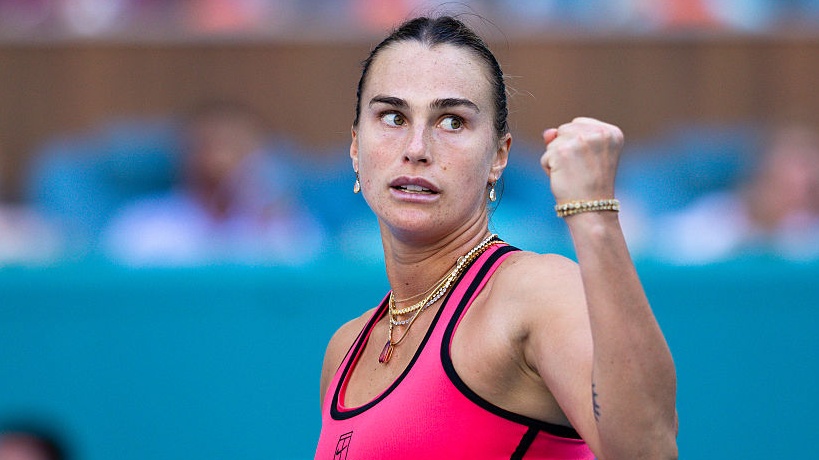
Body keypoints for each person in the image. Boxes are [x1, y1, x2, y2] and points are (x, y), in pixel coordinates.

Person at [315, 15, 677, 459]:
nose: (416, 148)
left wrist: (595, 213)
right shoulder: (345, 351)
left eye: (452, 121)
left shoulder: (533, 294)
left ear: (498, 157)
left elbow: (648, 452)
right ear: (356, 146)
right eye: (393, 117)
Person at [101, 100, 325, 266]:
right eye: (208, 145)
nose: (220, 159)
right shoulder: (142, 226)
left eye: (236, 146)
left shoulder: (286, 227)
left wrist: (268, 213)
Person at [653, 123, 819, 263]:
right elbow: (662, 243)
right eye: (783, 187)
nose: (795, 199)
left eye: (807, 191)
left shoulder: (809, 240)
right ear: (759, 179)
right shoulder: (713, 218)